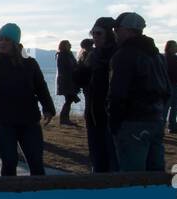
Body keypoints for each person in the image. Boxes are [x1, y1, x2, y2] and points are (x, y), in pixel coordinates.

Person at [0, 23, 56, 176]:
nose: (2, 42)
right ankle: (9, 195)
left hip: (29, 121)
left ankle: (39, 195)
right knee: (9, 162)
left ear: (15, 42)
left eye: (7, 39)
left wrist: (48, 108)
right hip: (2, 122)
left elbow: (41, 87)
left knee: (36, 162)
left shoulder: (30, 64)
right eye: (0, 39)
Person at [107, 12, 170, 171]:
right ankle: (156, 196)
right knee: (155, 172)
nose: (115, 32)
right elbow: (167, 89)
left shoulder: (124, 55)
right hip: (155, 119)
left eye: (117, 28)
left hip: (132, 121)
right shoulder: (157, 56)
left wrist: (114, 122)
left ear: (127, 30)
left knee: (132, 174)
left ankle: (133, 196)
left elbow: (118, 92)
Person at [74, 16, 119, 172]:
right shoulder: (92, 55)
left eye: (99, 33)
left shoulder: (118, 54)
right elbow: (81, 81)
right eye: (93, 33)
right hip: (93, 113)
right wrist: (81, 67)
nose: (95, 37)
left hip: (111, 114)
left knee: (113, 158)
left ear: (109, 33)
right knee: (97, 157)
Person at [55, 40, 80, 125]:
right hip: (66, 81)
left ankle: (65, 118)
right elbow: (69, 66)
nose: (70, 45)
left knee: (69, 99)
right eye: (68, 44)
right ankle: (64, 119)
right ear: (64, 46)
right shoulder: (63, 55)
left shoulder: (67, 55)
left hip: (69, 80)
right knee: (69, 99)